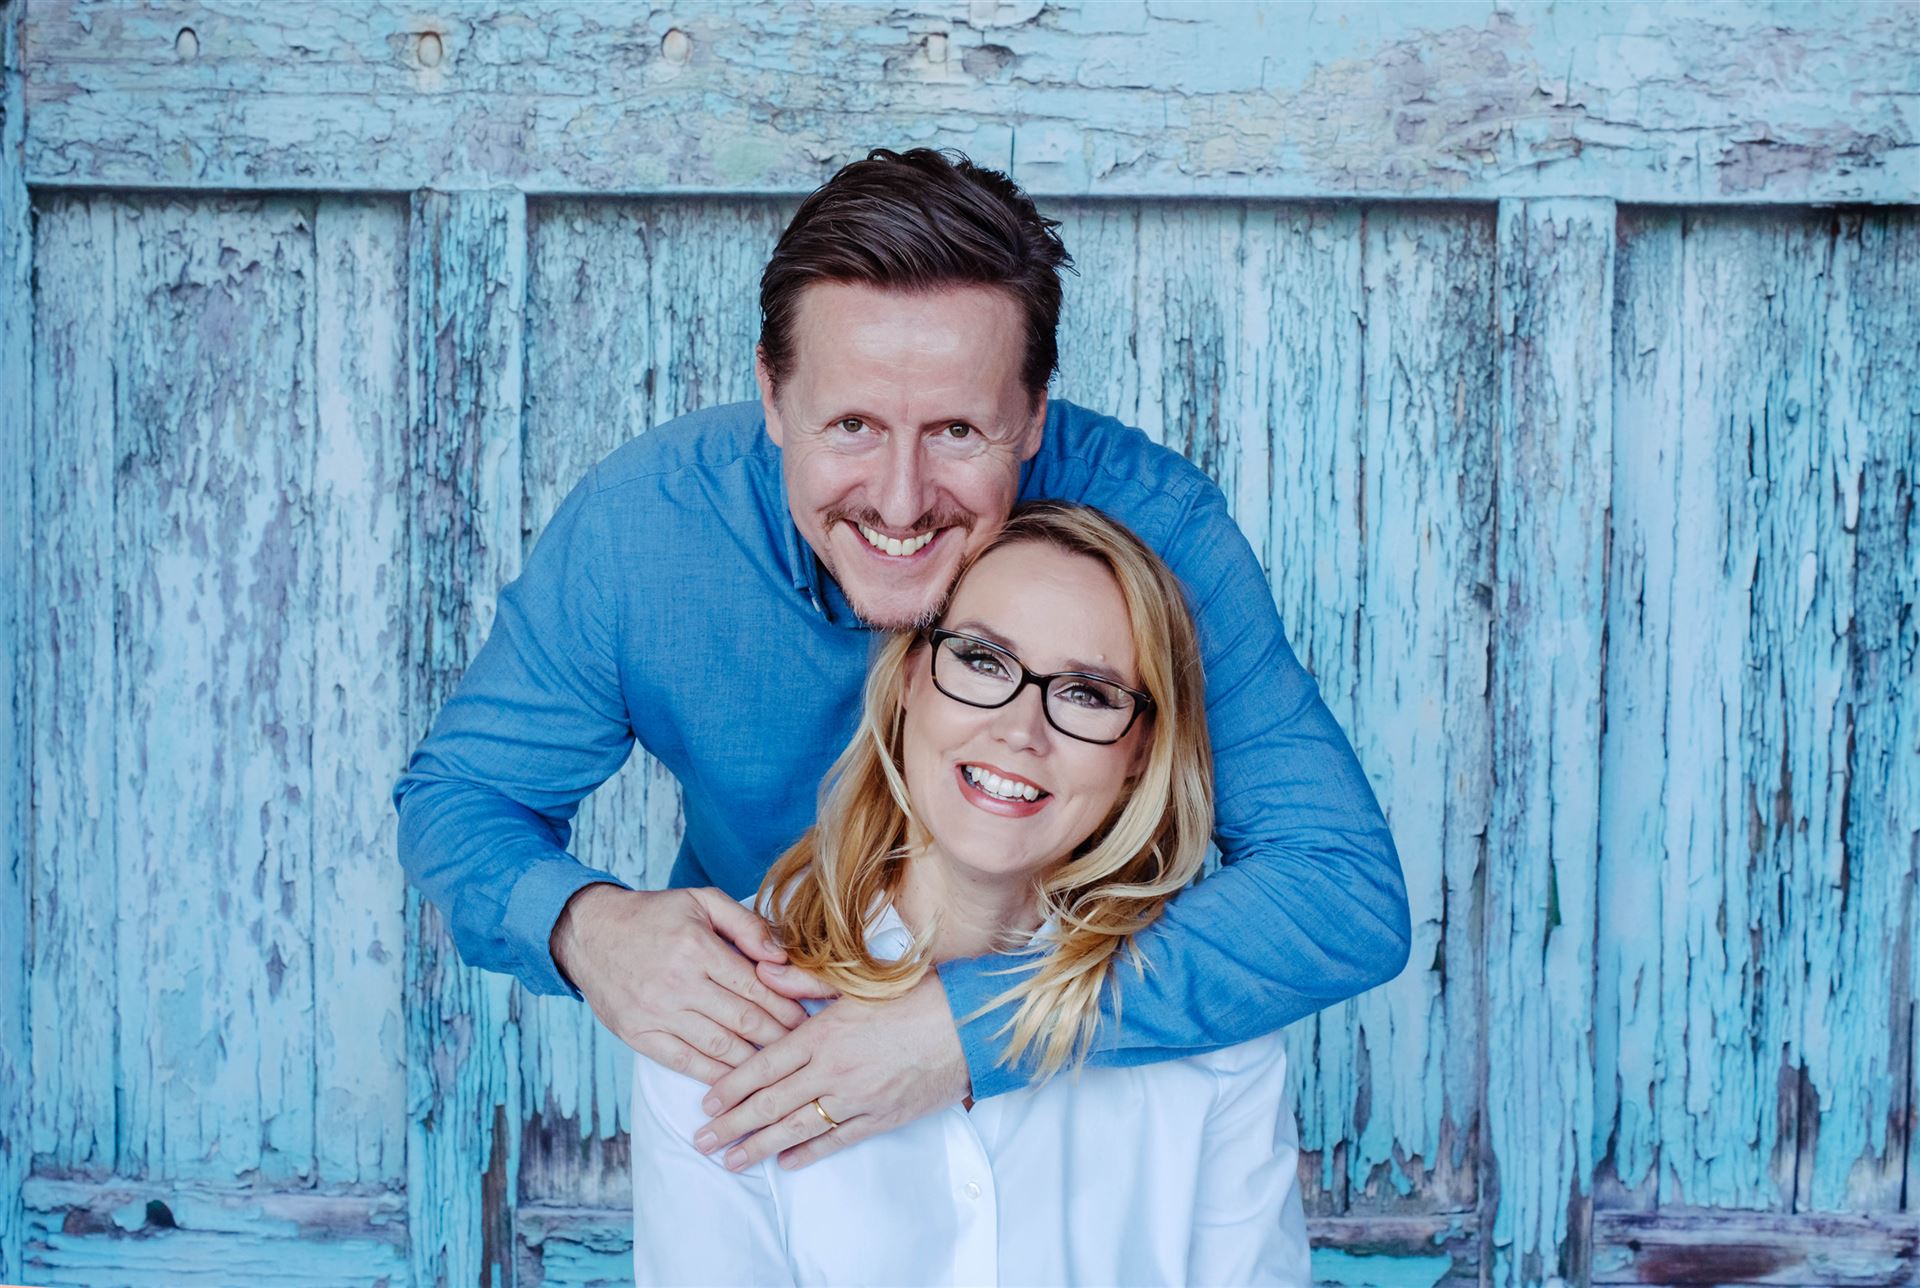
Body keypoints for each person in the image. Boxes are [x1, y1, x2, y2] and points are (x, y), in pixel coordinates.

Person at [394, 147, 1409, 1174]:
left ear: (1033, 417)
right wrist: (581, 926)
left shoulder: (1160, 533)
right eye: (852, 425)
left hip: (1084, 1081)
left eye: (959, 430)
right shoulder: (642, 532)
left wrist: (963, 1028)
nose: (899, 499)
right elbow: (463, 796)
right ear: (772, 394)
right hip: (767, 1081)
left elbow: (1340, 891)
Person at [631, 502, 1311, 1285]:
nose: (1022, 730)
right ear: (908, 678)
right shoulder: (716, 1009)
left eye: (1087, 693)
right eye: (984, 661)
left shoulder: (1218, 1036)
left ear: (1139, 753)